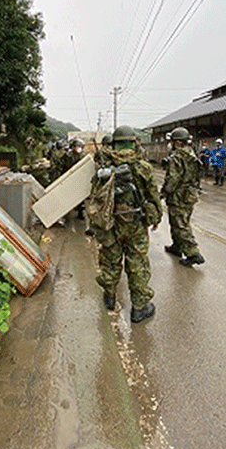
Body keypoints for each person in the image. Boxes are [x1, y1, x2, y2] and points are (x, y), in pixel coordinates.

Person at [88, 125, 162, 322]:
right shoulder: (143, 167)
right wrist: (156, 218)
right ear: (134, 141)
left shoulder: (104, 167)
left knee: (110, 260)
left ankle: (110, 297)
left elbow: (95, 195)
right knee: (137, 263)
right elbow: (153, 196)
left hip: (110, 223)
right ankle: (139, 308)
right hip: (135, 224)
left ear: (114, 143)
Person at [160, 127, 205, 266]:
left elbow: (173, 179)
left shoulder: (177, 157)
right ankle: (177, 246)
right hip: (189, 194)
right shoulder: (192, 154)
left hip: (179, 195)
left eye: (173, 141)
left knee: (181, 224)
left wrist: (163, 193)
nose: (171, 144)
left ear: (178, 142)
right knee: (178, 221)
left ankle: (193, 253)